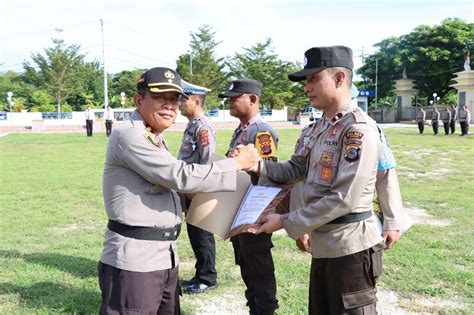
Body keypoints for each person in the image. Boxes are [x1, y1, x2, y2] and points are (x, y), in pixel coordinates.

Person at [98, 67, 260, 315]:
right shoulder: (130, 134)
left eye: (174, 99)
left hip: (163, 256)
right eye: (160, 97)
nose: (169, 106)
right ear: (139, 100)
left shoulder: (152, 135)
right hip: (136, 260)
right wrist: (237, 164)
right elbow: (180, 176)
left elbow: (172, 179)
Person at [254, 46, 385, 314]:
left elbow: (344, 198)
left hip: (350, 248)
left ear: (339, 79)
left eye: (314, 78)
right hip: (323, 244)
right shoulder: (317, 129)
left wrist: (288, 221)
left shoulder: (357, 129)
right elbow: (293, 170)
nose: (306, 87)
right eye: (306, 81)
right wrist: (255, 165)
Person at [218, 79, 280, 315]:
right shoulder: (242, 129)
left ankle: (264, 310)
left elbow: (269, 173)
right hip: (239, 210)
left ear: (253, 100)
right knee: (246, 264)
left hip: (255, 212)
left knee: (259, 267)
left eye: (235, 98)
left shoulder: (261, 131)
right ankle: (255, 307)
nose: (230, 102)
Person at [177, 80, 218, 294]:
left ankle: (208, 278)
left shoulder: (203, 127)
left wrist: (198, 189)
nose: (178, 104)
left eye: (183, 100)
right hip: (191, 191)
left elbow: (207, 161)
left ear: (196, 101)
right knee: (195, 235)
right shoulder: (192, 124)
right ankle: (200, 273)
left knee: (202, 237)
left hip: (199, 191)